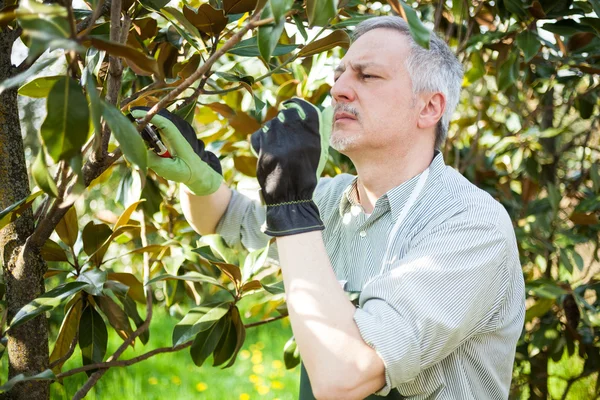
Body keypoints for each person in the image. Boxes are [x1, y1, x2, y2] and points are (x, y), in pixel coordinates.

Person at [131, 15, 525, 400]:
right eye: (339, 74)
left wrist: (291, 207)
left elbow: (344, 377)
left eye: (366, 76)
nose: (338, 89)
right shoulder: (329, 198)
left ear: (428, 108)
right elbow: (222, 218)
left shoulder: (471, 224)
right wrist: (199, 178)